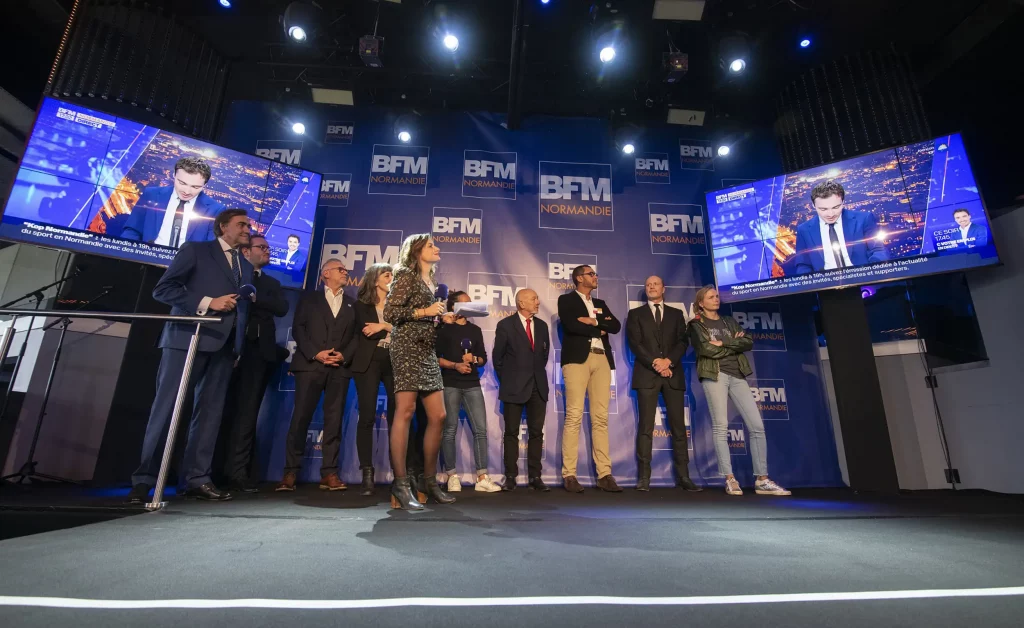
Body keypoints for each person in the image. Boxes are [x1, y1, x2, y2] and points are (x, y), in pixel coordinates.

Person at [126, 208, 253, 504]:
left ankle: (197, 479)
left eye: (248, 225)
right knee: (167, 410)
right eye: (242, 224)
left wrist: (237, 346)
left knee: (209, 416)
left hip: (224, 348)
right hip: (187, 340)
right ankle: (144, 481)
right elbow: (163, 289)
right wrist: (208, 302)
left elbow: (242, 310)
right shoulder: (195, 250)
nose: (248, 229)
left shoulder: (245, 266)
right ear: (223, 227)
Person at [687, 285, 790, 497]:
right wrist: (732, 343)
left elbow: (747, 341)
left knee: (757, 426)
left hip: (738, 375)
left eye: (717, 296)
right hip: (715, 375)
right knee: (721, 426)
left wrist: (722, 342)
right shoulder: (696, 324)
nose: (716, 299)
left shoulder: (729, 321)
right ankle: (730, 478)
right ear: (701, 303)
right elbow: (706, 349)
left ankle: (762, 480)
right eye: (711, 297)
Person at [383, 234, 455, 510]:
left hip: (427, 351)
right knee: (405, 411)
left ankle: (429, 481)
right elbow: (390, 313)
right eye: (430, 246)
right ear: (416, 251)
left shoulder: (432, 282)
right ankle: (401, 484)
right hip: (406, 347)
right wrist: (426, 311)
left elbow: (427, 317)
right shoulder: (405, 276)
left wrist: (440, 318)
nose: (437, 248)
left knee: (439, 415)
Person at [275, 258, 358, 492]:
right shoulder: (309, 298)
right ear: (326, 274)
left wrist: (343, 356)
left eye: (346, 270)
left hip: (339, 369)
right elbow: (298, 328)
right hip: (310, 366)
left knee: (334, 420)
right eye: (341, 269)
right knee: (300, 418)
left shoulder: (352, 304)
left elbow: (356, 337)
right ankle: (290, 472)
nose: (345, 272)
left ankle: (329, 473)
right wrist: (316, 353)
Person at [220, 234, 289, 493]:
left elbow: (282, 307)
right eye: (262, 247)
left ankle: (237, 472)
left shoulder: (270, 283)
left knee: (248, 414)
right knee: (215, 410)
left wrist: (255, 298)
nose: (268, 251)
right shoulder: (230, 276)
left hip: (257, 353)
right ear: (246, 252)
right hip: (224, 349)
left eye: (269, 247)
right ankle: (199, 474)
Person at [625, 276, 700, 492]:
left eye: (655, 284)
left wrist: (669, 361)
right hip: (647, 375)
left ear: (663, 288)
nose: (651, 287)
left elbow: (682, 342)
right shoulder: (635, 314)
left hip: (673, 374)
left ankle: (684, 476)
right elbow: (635, 343)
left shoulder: (676, 314)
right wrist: (656, 363)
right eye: (648, 284)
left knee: (679, 428)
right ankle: (644, 477)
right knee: (645, 428)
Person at [556, 265, 622, 493]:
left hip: (602, 359)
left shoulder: (600, 304)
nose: (595, 277)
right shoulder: (566, 301)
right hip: (577, 360)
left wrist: (593, 322)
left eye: (595, 274)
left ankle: (604, 474)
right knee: (574, 416)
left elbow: (615, 326)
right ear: (579, 278)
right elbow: (571, 326)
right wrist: (599, 329)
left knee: (600, 418)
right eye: (591, 274)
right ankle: (569, 474)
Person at [436, 291, 500, 493]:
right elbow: (435, 358)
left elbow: (483, 358)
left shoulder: (475, 330)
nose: (470, 305)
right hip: (450, 383)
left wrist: (473, 359)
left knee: (480, 430)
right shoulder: (444, 329)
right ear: (453, 306)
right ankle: (451, 476)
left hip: (472, 383)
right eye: (466, 303)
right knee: (449, 430)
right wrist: (455, 365)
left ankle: (482, 477)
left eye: (471, 302)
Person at [493, 288, 550, 492]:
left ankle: (536, 476)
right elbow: (498, 359)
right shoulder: (505, 325)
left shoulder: (542, 326)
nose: (538, 302)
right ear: (521, 303)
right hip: (513, 387)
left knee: (536, 433)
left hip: (538, 386)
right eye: (534, 299)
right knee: (511, 433)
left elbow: (543, 356)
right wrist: (510, 380)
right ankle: (510, 476)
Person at [350, 263, 396, 496]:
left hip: (395, 361)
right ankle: (367, 474)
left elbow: (406, 332)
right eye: (387, 275)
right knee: (367, 417)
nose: (391, 278)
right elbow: (364, 331)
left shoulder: (398, 306)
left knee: (398, 418)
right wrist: (388, 329)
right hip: (368, 362)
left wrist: (384, 326)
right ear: (375, 280)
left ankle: (400, 475)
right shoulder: (360, 306)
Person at [120, 157, 226, 247]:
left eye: (195, 187)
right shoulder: (151, 194)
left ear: (205, 185)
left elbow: (211, 249)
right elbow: (132, 230)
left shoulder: (215, 210)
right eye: (182, 183)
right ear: (174, 175)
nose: (187, 191)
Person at [793, 180, 888, 275]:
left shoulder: (864, 219)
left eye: (836, 207)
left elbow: (878, 250)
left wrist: (872, 273)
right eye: (823, 209)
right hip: (825, 282)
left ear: (843, 202)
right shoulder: (804, 230)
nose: (830, 214)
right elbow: (803, 265)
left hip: (863, 276)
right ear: (814, 206)